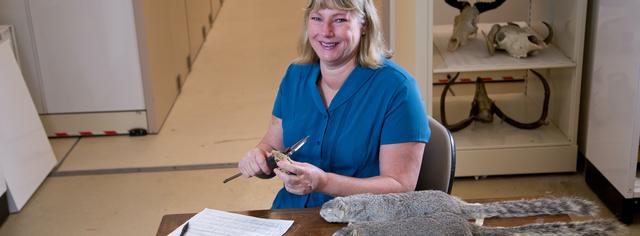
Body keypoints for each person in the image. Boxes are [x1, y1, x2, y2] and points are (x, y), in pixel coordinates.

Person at [237, 0, 430, 209]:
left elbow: (400, 186)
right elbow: (272, 146)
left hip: (358, 221)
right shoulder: (295, 75)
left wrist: (324, 182)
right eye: (317, 18)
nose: (326, 31)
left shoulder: (398, 89)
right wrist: (258, 158)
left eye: (339, 20)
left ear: (364, 25)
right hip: (291, 216)